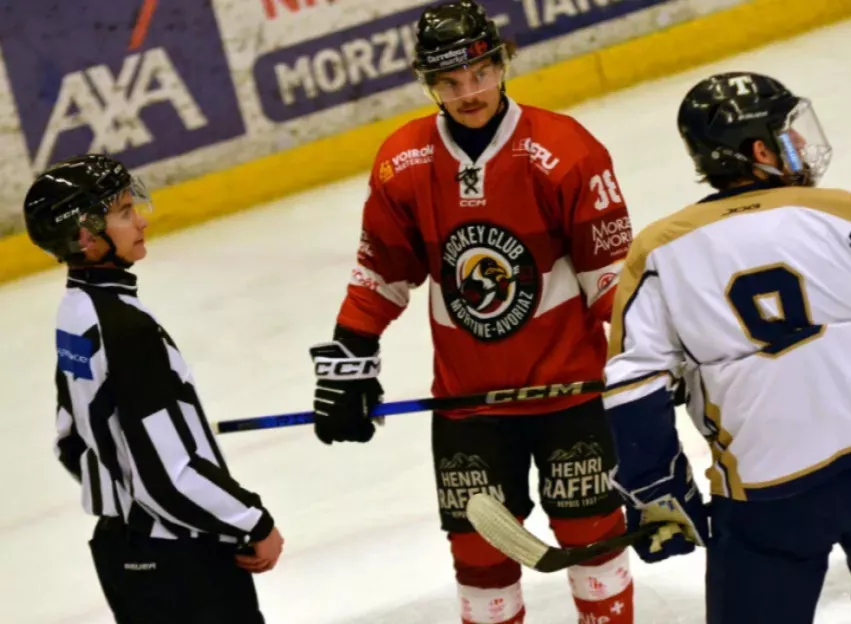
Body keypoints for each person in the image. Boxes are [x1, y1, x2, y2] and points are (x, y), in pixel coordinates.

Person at [601, 72, 851, 624]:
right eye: (786, 133)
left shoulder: (661, 251)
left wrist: (655, 486)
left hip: (767, 496)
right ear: (758, 150)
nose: (800, 143)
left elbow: (633, 384)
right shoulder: (842, 213)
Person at [306, 1, 637, 622]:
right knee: (479, 558)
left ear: (502, 62)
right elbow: (381, 274)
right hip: (469, 405)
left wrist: (648, 362)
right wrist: (349, 356)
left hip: (569, 392)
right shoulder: (403, 164)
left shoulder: (566, 151)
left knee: (593, 541)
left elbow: (610, 282)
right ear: (427, 84)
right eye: (450, 83)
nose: (469, 92)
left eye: (480, 73)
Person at [24, 154, 283, 623]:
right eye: (124, 212)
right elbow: (166, 476)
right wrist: (253, 520)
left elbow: (72, 441)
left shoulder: (76, 312)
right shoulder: (126, 328)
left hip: (122, 554)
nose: (140, 219)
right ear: (85, 235)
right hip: (181, 569)